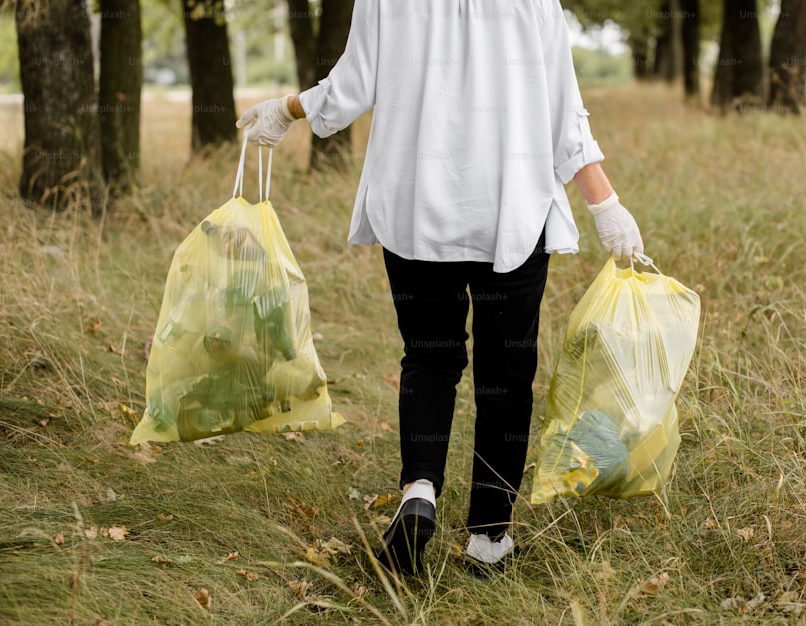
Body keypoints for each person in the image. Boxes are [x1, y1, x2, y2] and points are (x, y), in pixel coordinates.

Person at [236, 0, 643, 576]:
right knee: (506, 375)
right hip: (510, 211)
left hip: (415, 209)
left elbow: (351, 86)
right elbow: (564, 113)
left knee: (429, 360)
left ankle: (419, 491)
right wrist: (606, 204)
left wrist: (286, 108)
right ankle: (488, 539)